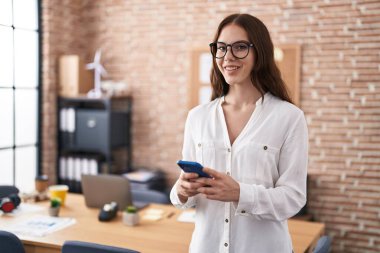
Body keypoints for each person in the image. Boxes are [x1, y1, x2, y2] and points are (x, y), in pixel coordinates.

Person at [170, 13, 308, 253]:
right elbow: (184, 196)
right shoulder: (197, 117)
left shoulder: (289, 117)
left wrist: (240, 194)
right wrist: (181, 191)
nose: (228, 57)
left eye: (240, 47)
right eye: (221, 48)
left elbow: (293, 198)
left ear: (260, 52)